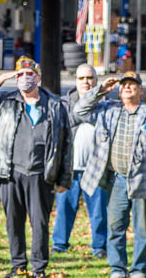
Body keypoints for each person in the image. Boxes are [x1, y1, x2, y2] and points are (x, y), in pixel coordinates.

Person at [0, 56, 70, 278]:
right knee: (14, 222)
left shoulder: (54, 105)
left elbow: (66, 144)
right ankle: (18, 265)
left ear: (38, 77)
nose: (26, 79)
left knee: (40, 224)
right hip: (11, 173)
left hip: (41, 174)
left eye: (30, 74)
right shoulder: (6, 102)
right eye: (21, 75)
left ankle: (39, 268)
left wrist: (64, 178)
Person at [73, 72, 146, 278]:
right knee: (115, 227)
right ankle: (118, 269)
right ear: (119, 91)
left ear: (141, 90)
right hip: (116, 179)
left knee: (142, 230)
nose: (127, 88)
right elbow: (80, 109)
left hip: (143, 180)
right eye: (124, 85)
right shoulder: (107, 111)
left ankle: (138, 270)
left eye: (132, 85)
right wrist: (101, 89)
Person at [52, 64, 109, 259]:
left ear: (96, 81)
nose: (86, 82)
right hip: (69, 167)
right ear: (75, 81)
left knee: (99, 211)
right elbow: (67, 122)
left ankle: (99, 246)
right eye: (82, 78)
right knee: (64, 209)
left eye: (90, 78)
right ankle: (59, 244)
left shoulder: (106, 104)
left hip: (96, 169)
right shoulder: (64, 104)